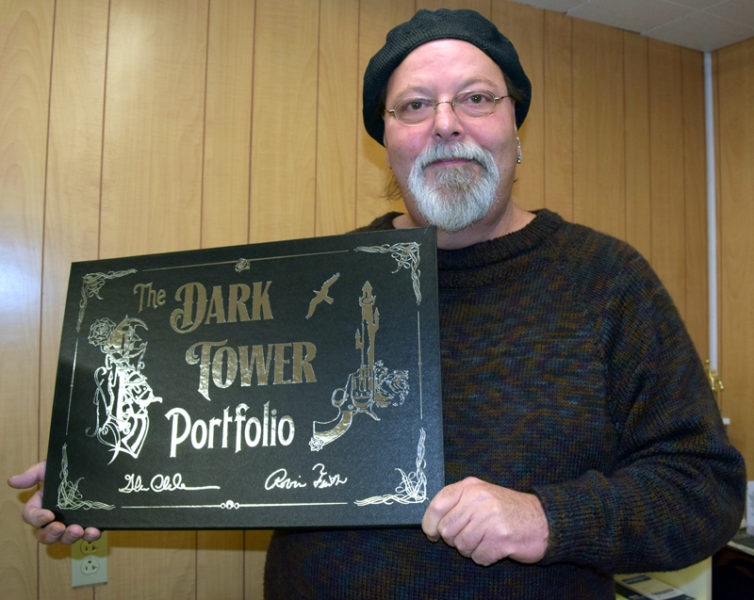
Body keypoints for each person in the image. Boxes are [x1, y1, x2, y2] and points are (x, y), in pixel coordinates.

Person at [9, 8, 746, 599]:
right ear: (387, 143)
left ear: (515, 127)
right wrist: (103, 472)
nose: (447, 123)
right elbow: (207, 430)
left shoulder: (606, 279)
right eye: (415, 105)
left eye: (478, 98)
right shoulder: (316, 285)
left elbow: (703, 492)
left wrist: (550, 518)